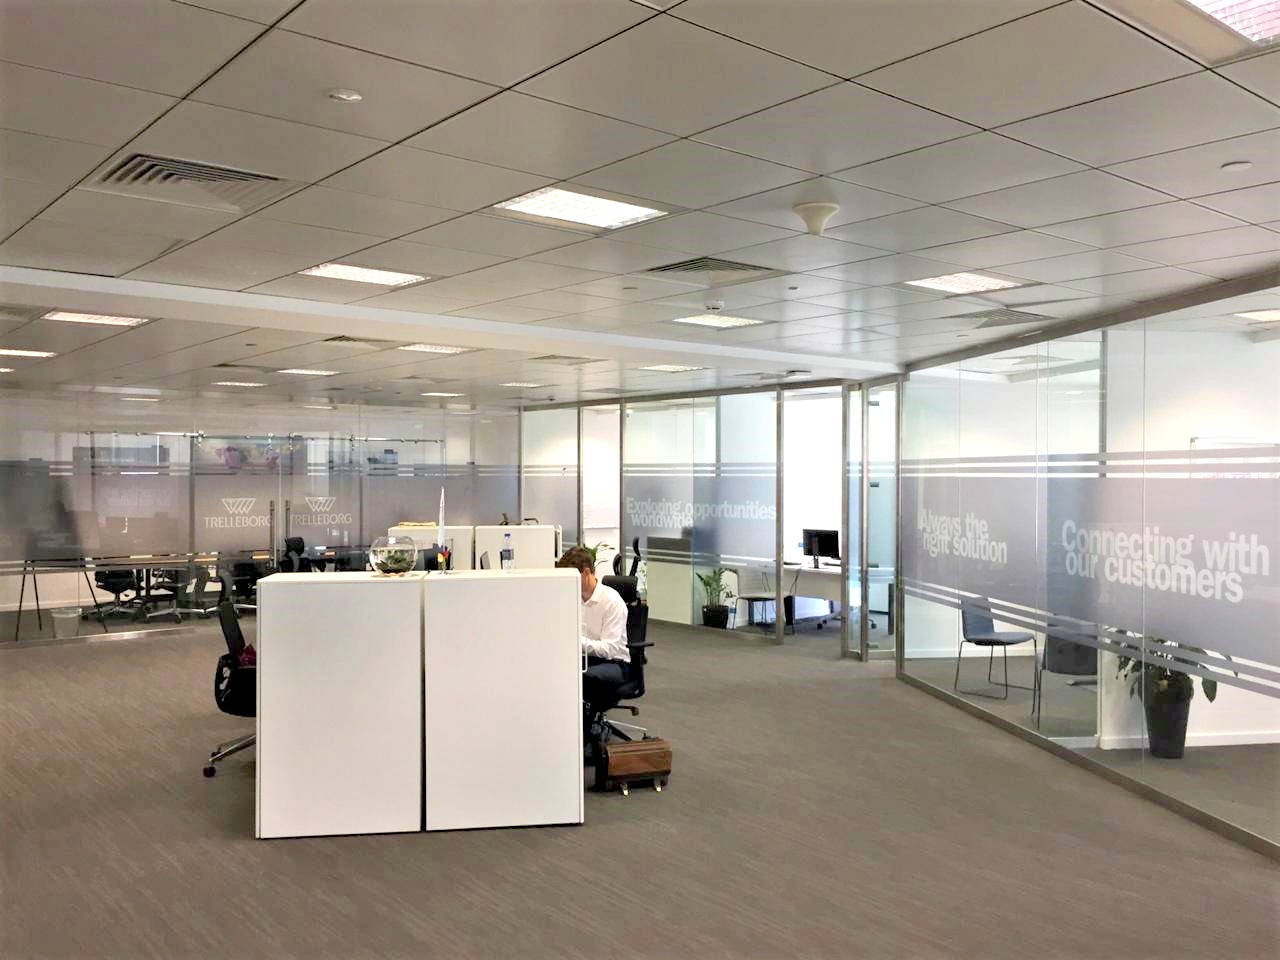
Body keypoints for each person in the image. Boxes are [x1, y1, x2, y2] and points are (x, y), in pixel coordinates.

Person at [556, 546, 629, 741]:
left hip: (614, 663)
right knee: (553, 673)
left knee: (579, 678)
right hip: (584, 657)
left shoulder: (611, 601)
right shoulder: (572, 597)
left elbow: (610, 649)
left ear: (586, 573)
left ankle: (580, 736)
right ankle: (566, 734)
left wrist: (575, 641)